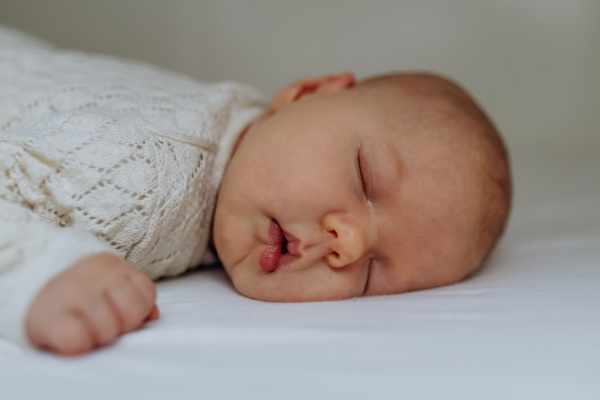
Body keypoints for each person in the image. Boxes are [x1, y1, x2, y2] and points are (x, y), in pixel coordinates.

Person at [0, 26, 511, 355]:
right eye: (365, 178)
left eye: (373, 272)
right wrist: (41, 269)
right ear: (307, 93)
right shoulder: (147, 178)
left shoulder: (232, 124)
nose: (347, 243)